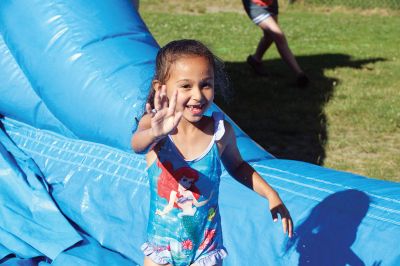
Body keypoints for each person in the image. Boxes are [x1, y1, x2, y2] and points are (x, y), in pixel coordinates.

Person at [131, 39, 293, 266]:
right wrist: (155, 133)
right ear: (161, 88)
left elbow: (237, 166)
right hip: (162, 248)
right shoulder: (155, 127)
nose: (197, 95)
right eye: (186, 86)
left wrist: (270, 193)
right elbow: (137, 145)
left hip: (206, 248)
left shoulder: (220, 131)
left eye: (206, 84)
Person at [242, 0, 309, 87]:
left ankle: (255, 60)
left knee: (270, 36)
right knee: (278, 36)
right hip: (255, 4)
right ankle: (299, 74)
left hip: (271, 3)